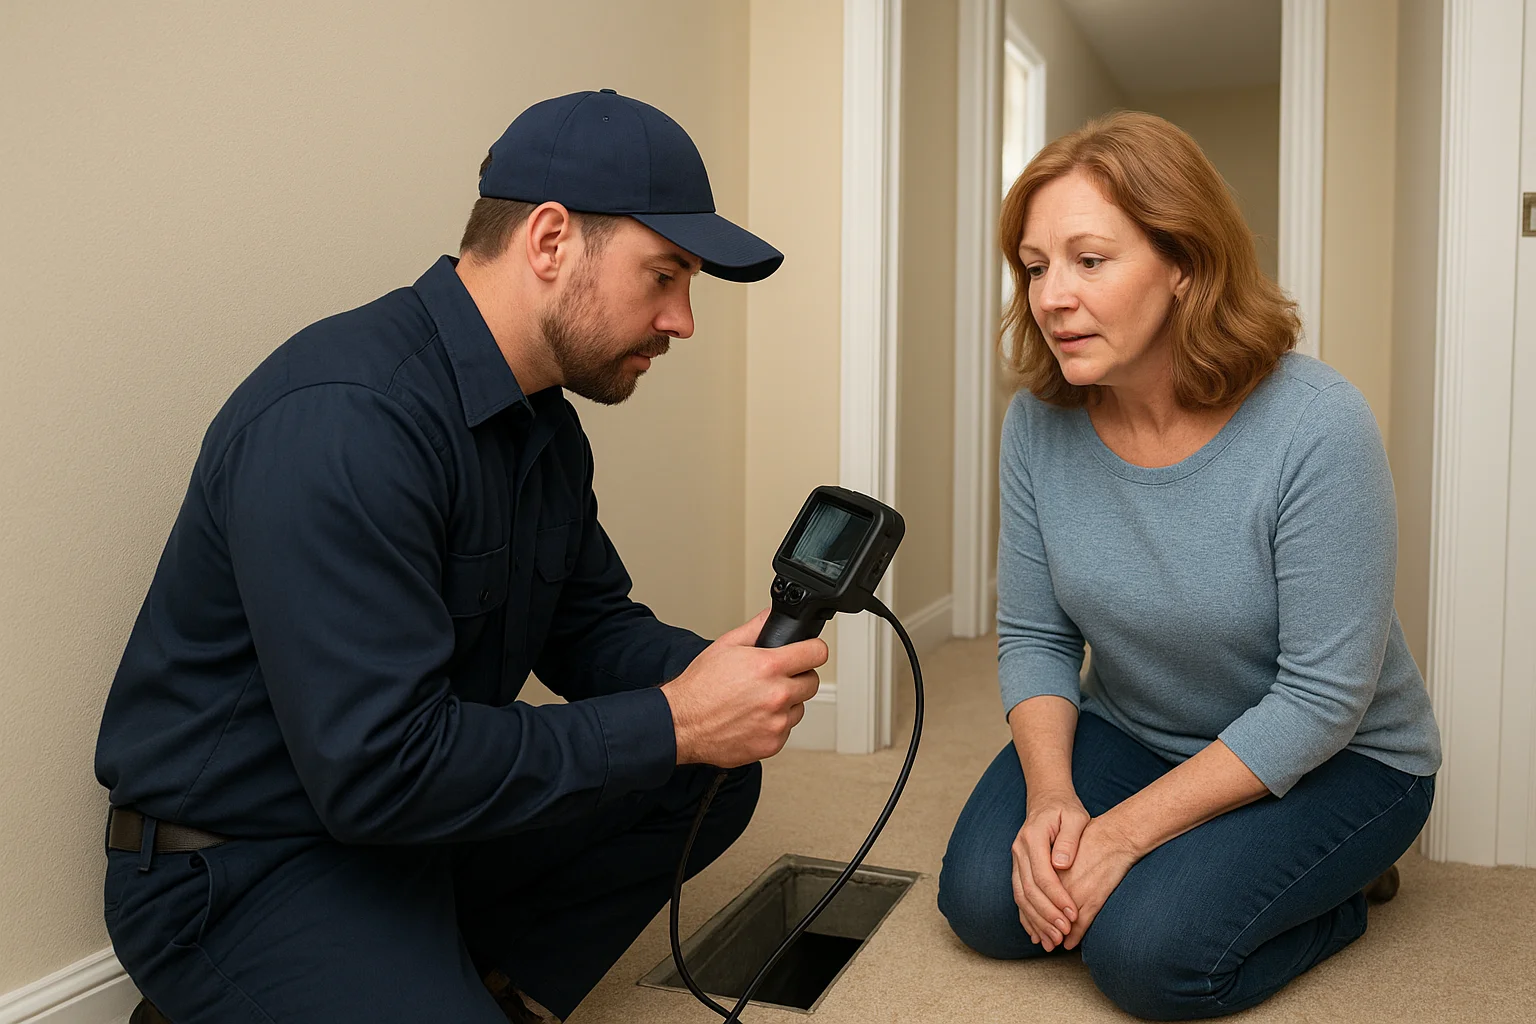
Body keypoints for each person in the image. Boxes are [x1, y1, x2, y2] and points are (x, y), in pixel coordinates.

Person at [94, 89, 828, 1024]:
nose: (683, 319)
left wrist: (716, 677)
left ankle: (482, 985)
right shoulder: (348, 422)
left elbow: (590, 627)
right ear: (552, 241)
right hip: (239, 867)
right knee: (675, 741)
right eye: (665, 275)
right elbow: (382, 768)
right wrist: (676, 719)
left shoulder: (546, 430)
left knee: (713, 771)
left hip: (411, 833)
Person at [936, 111, 1440, 1020]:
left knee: (1148, 956)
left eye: (1090, 260)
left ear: (1184, 263)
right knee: (983, 904)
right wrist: (1053, 798)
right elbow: (1035, 634)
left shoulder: (1317, 426)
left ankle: (1346, 898)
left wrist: (1124, 836)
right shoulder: (1037, 425)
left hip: (1345, 759)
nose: (1051, 296)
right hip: (1137, 727)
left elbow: (1324, 699)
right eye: (1037, 267)